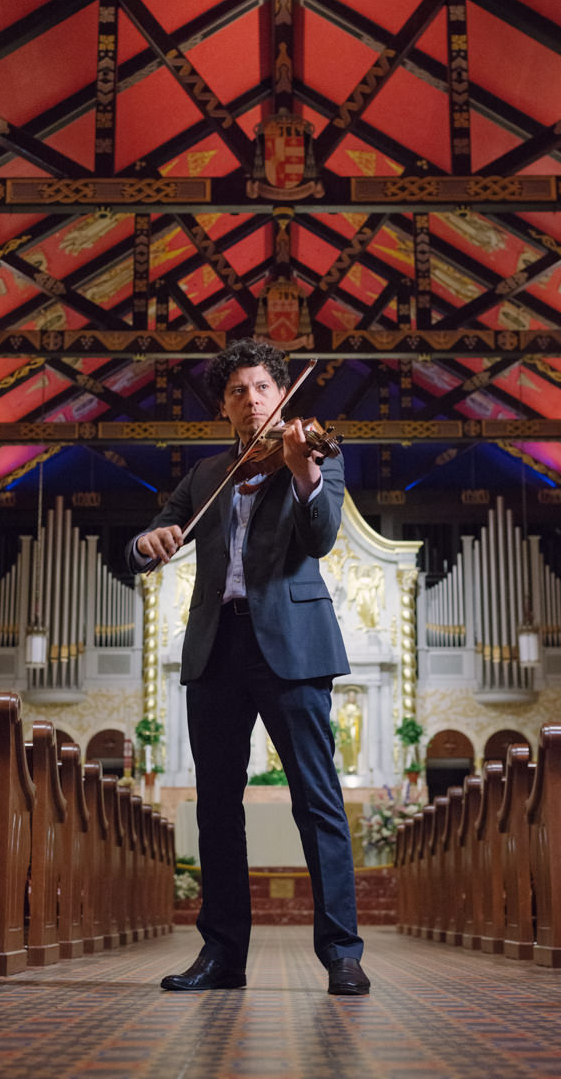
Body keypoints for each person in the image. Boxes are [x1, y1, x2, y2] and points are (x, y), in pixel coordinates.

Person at [128, 338, 369, 996]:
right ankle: (221, 956)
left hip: (291, 648)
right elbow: (149, 541)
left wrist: (302, 473)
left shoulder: (317, 455)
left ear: (282, 393)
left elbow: (319, 538)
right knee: (215, 808)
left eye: (262, 387)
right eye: (237, 391)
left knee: (317, 803)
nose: (251, 399)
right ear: (224, 407)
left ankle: (342, 954)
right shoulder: (204, 476)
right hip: (216, 648)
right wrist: (145, 541)